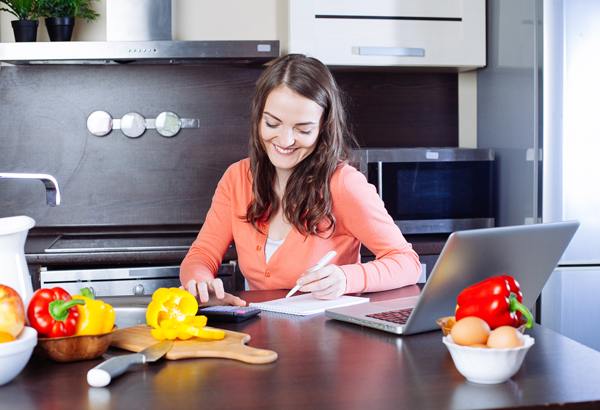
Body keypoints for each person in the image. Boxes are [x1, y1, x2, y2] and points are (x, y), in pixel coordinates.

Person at [180, 53, 422, 306]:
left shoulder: (345, 184)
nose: (284, 141)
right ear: (258, 118)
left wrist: (347, 278)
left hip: (330, 336)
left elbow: (407, 261)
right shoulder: (237, 178)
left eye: (303, 130)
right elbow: (202, 254)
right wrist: (200, 281)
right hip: (260, 334)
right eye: (272, 124)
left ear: (323, 128)